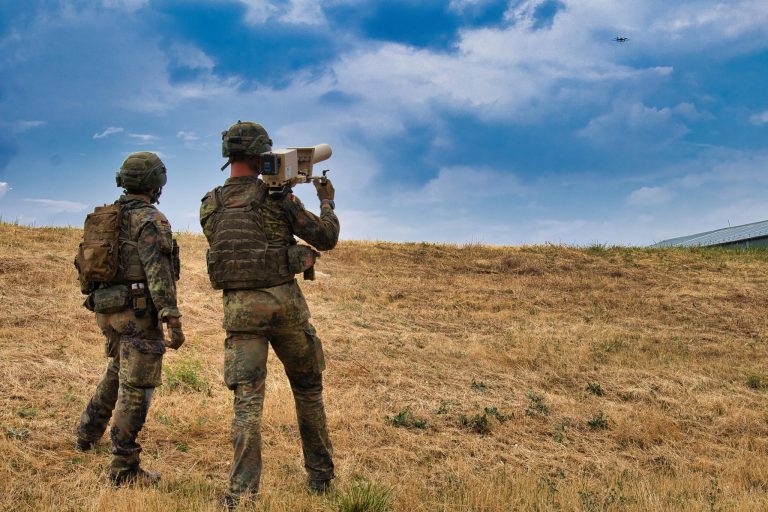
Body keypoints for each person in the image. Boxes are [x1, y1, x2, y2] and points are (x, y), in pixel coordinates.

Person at [199, 121, 339, 507]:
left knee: (247, 403)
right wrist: (326, 201)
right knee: (308, 389)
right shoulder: (280, 200)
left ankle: (241, 494)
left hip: (241, 312)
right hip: (285, 305)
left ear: (228, 157)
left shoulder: (210, 204)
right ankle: (321, 477)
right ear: (263, 153)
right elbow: (326, 237)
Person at [74, 151, 185, 486]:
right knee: (136, 388)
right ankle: (123, 468)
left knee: (117, 370)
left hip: (107, 311)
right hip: (136, 313)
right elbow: (159, 273)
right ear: (156, 183)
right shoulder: (151, 220)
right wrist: (171, 316)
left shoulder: (107, 216)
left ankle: (87, 431)